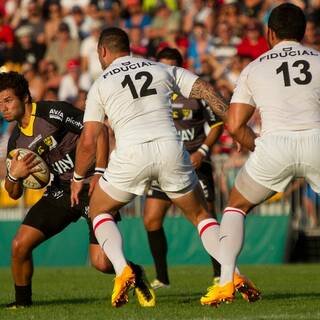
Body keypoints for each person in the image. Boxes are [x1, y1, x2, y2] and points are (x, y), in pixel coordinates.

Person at [70, 27, 259, 308]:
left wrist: (78, 177)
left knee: (99, 210)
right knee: (201, 216)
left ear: (103, 52)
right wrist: (235, 126)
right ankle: (232, 274)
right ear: (129, 47)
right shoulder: (159, 68)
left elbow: (88, 139)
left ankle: (123, 269)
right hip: (171, 150)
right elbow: (206, 90)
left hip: (131, 155)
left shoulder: (100, 84)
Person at [0, 71, 154, 308]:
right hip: (61, 190)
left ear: (25, 98)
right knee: (19, 245)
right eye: (0, 103)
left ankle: (133, 271)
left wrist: (99, 173)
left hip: (92, 186)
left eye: (8, 100)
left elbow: (99, 130)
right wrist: (14, 174)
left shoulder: (53, 112)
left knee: (101, 263)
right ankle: (22, 304)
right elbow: (14, 193)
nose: (3, 107)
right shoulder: (16, 141)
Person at [201, 3, 320, 306]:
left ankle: (226, 281)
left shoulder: (255, 66)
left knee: (236, 207)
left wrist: (256, 145)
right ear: (304, 31)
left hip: (275, 145)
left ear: (269, 32)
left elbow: (234, 123)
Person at [143, 47, 223, 289]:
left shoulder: (196, 90)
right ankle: (162, 278)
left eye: (170, 66)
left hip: (196, 163)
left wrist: (203, 152)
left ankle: (221, 273)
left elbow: (218, 123)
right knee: (151, 220)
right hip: (165, 162)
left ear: (180, 67)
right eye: (162, 65)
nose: (165, 70)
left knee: (206, 218)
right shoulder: (151, 93)